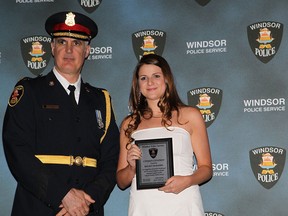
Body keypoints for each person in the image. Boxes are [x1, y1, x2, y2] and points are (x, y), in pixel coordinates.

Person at [2, 11, 119, 216]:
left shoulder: (101, 100)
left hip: (87, 209)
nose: (69, 49)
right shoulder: (29, 91)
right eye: (62, 41)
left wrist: (88, 200)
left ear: (87, 51)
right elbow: (17, 150)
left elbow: (111, 160)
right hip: (37, 207)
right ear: (52, 47)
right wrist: (62, 194)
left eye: (77, 43)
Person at [116, 54, 212, 216]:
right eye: (143, 78)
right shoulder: (129, 123)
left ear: (166, 79)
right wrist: (132, 168)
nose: (150, 82)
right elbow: (121, 181)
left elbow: (206, 168)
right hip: (144, 207)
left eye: (156, 76)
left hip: (183, 203)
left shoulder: (190, 116)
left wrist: (187, 181)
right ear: (137, 84)